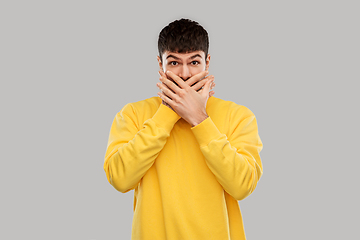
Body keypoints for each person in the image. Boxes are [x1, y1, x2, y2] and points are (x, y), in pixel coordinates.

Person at [104, 18, 263, 240]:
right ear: (160, 65)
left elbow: (242, 186)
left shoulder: (239, 116)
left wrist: (199, 118)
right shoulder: (132, 114)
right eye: (174, 63)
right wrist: (169, 112)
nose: (185, 74)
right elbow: (120, 179)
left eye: (194, 62)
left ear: (207, 62)